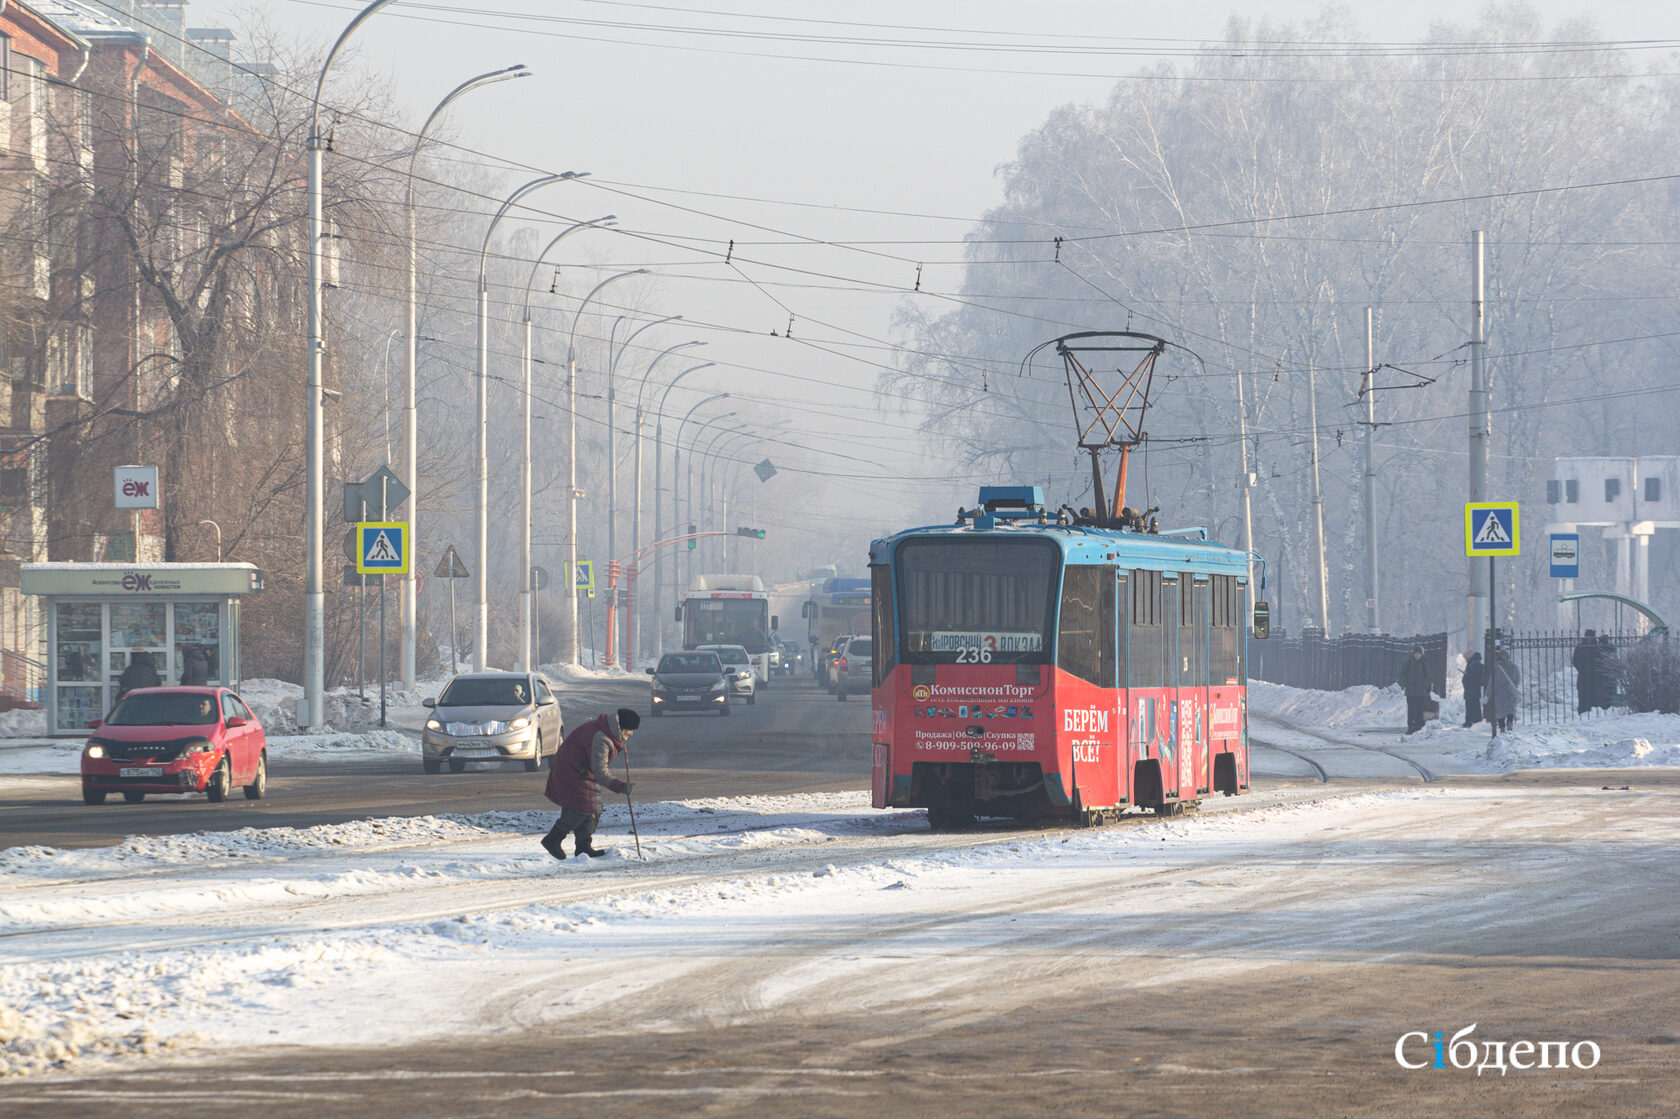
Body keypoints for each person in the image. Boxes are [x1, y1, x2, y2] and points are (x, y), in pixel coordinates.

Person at [541, 707, 640, 860]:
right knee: (581, 809)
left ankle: (584, 847)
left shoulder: (606, 731)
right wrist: (620, 786)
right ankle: (553, 839)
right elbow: (600, 771)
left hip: (581, 773)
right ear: (621, 728)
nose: (631, 734)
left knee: (592, 809)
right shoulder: (602, 738)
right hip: (571, 773)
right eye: (629, 731)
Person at [1397, 645, 1432, 734]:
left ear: (1421, 654)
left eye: (1419, 654)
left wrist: (1426, 686)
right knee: (1411, 710)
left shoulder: (1424, 664)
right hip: (1410, 691)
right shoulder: (1408, 663)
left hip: (1421, 692)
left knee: (1419, 710)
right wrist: (1405, 684)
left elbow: (1428, 677)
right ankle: (1411, 727)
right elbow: (1402, 675)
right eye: (1416, 654)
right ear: (1413, 654)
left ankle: (1419, 726)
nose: (1417, 655)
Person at [1488, 650, 1522, 733]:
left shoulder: (1496, 667)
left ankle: (1502, 727)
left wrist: (1487, 694)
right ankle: (1510, 722)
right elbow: (1518, 679)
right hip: (1511, 690)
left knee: (1500, 710)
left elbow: (1492, 682)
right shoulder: (1514, 666)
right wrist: (1513, 687)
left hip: (1500, 691)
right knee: (1511, 707)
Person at [1572, 630, 1598, 713]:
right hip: (1583, 674)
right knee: (1582, 694)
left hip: (1594, 675)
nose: (1589, 638)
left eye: (1591, 637)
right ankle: (1582, 711)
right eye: (1588, 636)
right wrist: (1581, 668)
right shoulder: (1580, 646)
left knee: (1593, 694)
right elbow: (1575, 660)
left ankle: (1592, 711)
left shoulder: (1596, 646)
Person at [1592, 634, 1618, 711]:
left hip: (1602, 674)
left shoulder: (1601, 650)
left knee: (1603, 693)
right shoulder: (1611, 649)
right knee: (1608, 692)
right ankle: (1607, 707)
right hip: (1609, 673)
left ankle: (1604, 708)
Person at [1461, 651, 1484, 727]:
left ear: (1469, 657)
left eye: (1465, 657)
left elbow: (1475, 677)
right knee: (1473, 705)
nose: (1465, 659)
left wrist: (1466, 675)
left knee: (1472, 705)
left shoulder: (1474, 664)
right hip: (1472, 690)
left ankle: (1472, 721)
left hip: (1472, 689)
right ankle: (1473, 721)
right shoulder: (1473, 663)